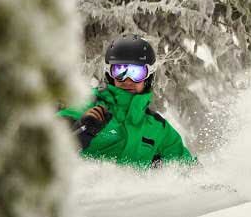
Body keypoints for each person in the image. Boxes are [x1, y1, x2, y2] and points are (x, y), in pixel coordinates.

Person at [57, 34, 196, 169]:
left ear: (148, 77)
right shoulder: (85, 103)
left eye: (136, 72)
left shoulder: (158, 129)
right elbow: (44, 145)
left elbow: (192, 173)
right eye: (120, 71)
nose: (128, 80)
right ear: (110, 74)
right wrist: (79, 132)